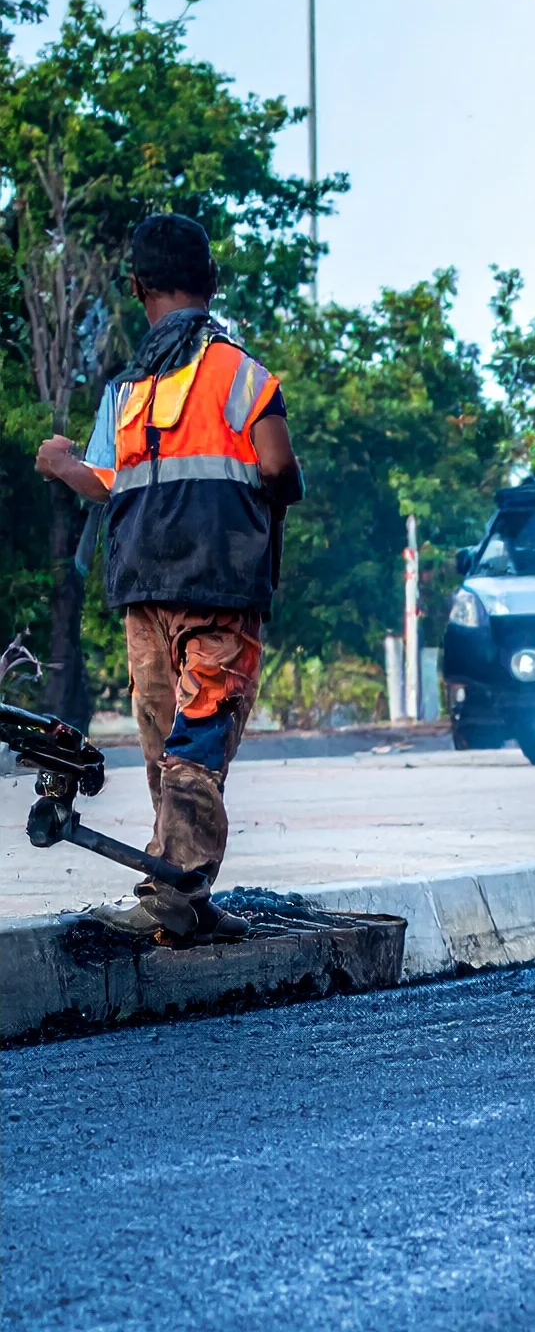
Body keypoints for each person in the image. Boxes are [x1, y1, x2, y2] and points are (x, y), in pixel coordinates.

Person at [35, 213, 303, 942]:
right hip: (218, 588)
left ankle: (180, 889)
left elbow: (106, 481)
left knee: (168, 748)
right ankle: (175, 897)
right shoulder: (243, 375)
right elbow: (277, 467)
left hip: (144, 590)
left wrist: (61, 464)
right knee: (197, 746)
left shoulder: (127, 389)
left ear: (135, 287)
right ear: (211, 284)